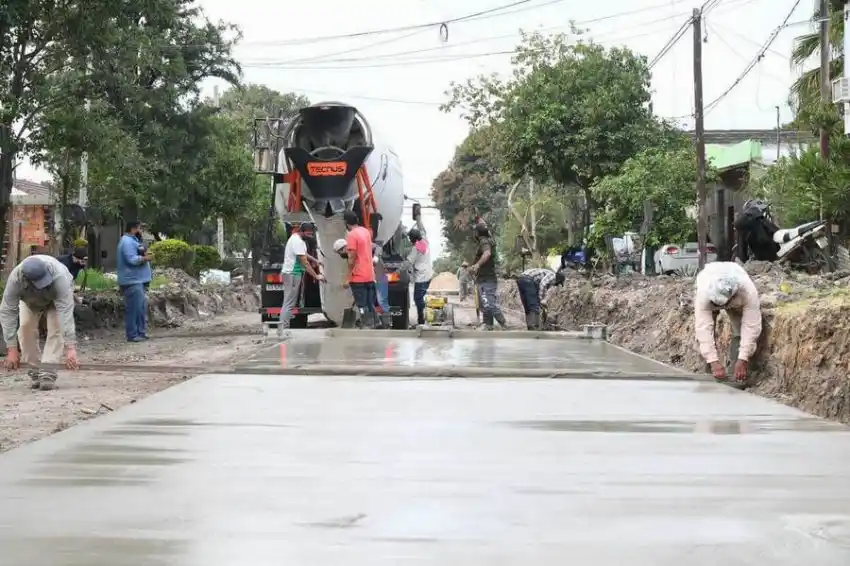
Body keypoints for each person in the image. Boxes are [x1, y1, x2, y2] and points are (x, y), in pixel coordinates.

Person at [0, 255, 80, 390]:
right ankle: (35, 371)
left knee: (56, 328)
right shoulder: (16, 280)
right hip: (29, 300)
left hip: (55, 300)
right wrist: (11, 348)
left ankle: (48, 372)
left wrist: (71, 348)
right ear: (26, 279)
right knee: (25, 328)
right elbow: (7, 311)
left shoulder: (60, 277)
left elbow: (65, 313)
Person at [694, 261, 762, 385]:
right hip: (709, 288)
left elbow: (751, 326)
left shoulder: (747, 292)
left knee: (739, 331)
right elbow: (703, 329)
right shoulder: (703, 294)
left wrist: (743, 358)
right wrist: (713, 361)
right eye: (716, 304)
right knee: (708, 333)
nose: (720, 307)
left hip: (737, 297)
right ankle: (711, 369)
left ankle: (736, 375)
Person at [279, 222, 324, 337]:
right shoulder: (297, 241)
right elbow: (304, 262)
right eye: (308, 234)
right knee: (289, 302)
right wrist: (316, 276)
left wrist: (316, 260)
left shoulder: (299, 240)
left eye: (311, 234)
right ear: (301, 231)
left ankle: (284, 327)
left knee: (291, 302)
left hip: (294, 273)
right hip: (292, 274)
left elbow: (305, 254)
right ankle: (283, 329)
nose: (310, 236)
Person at [117, 221, 153, 342]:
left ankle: (140, 332)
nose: (142, 231)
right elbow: (131, 259)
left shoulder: (134, 241)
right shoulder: (127, 241)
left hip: (138, 280)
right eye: (140, 228)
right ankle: (132, 334)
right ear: (133, 229)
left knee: (140, 308)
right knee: (134, 308)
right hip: (132, 280)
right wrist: (145, 258)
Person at [468, 223, 507, 330]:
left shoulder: (484, 241)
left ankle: (503, 323)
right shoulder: (489, 240)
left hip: (487, 278)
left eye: (474, 231)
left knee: (489, 303)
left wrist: (477, 265)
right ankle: (488, 325)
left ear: (477, 233)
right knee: (485, 304)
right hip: (483, 278)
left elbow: (487, 253)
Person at [343, 210, 378, 328]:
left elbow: (352, 258)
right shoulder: (365, 231)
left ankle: (366, 323)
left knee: (361, 305)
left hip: (358, 276)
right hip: (370, 275)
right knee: (369, 302)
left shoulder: (351, 235)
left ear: (346, 222)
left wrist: (348, 278)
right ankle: (376, 322)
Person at [403, 227, 433, 326]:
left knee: (418, 299)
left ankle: (422, 319)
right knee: (420, 298)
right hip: (428, 275)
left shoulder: (416, 248)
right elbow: (423, 229)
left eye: (410, 238)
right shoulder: (425, 242)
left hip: (421, 277)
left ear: (413, 239)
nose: (409, 240)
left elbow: (408, 262)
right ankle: (423, 317)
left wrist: (398, 269)